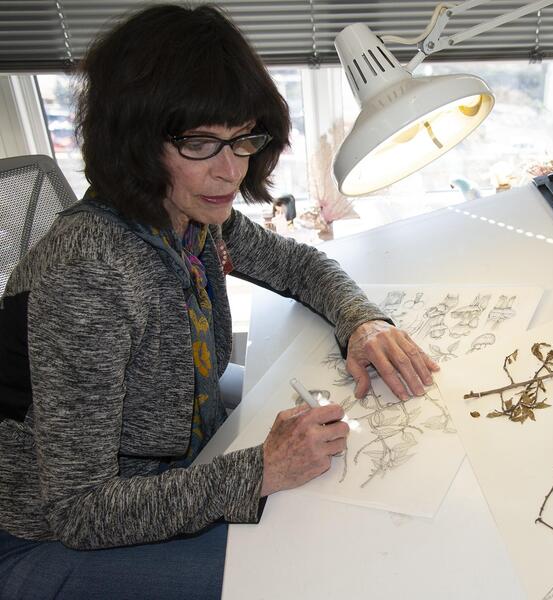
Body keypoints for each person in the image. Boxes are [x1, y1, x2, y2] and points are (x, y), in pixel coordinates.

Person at [0, 4, 438, 598]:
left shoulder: (189, 212)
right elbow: (79, 511)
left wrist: (362, 323)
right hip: (46, 536)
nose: (231, 172)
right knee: (306, 579)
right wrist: (261, 469)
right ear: (134, 140)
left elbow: (298, 264)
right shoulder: (91, 274)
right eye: (202, 143)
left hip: (170, 449)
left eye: (243, 139)